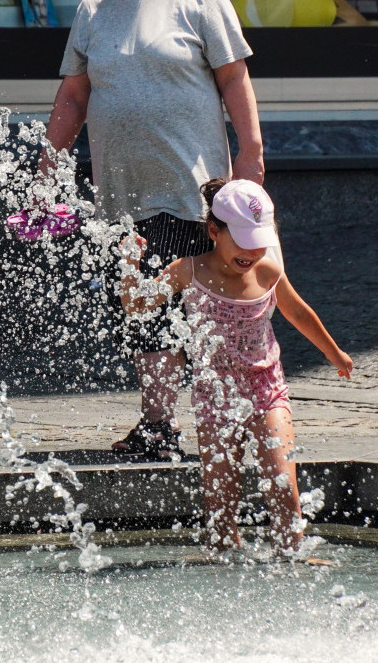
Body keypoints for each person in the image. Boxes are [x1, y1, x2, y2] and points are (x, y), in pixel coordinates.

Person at [37, 0, 265, 459]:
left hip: (189, 185)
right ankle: (164, 425)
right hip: (123, 190)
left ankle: (214, 422)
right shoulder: (94, 5)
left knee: (200, 308)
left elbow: (234, 79)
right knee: (144, 308)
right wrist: (49, 161)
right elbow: (75, 92)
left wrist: (252, 154)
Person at [118, 179, 352, 553]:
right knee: (220, 500)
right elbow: (137, 304)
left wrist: (334, 352)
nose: (251, 252)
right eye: (241, 241)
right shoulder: (188, 270)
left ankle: (291, 555)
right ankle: (223, 560)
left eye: (258, 241)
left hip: (266, 388)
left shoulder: (266, 271)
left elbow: (297, 312)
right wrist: (130, 264)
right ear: (214, 231)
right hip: (215, 394)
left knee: (281, 482)